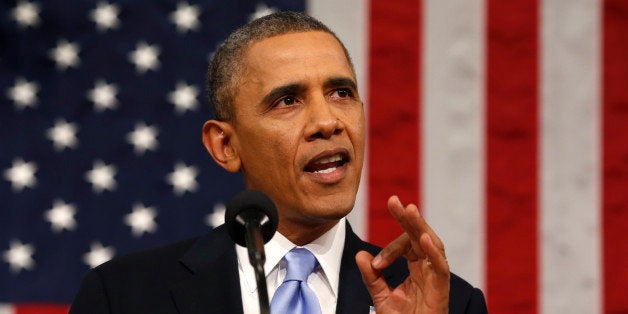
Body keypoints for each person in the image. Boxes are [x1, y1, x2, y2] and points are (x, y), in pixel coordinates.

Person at [70, 11, 487, 314]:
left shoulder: (450, 304)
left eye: (341, 93)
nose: (327, 121)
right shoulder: (124, 297)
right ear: (225, 145)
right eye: (288, 100)